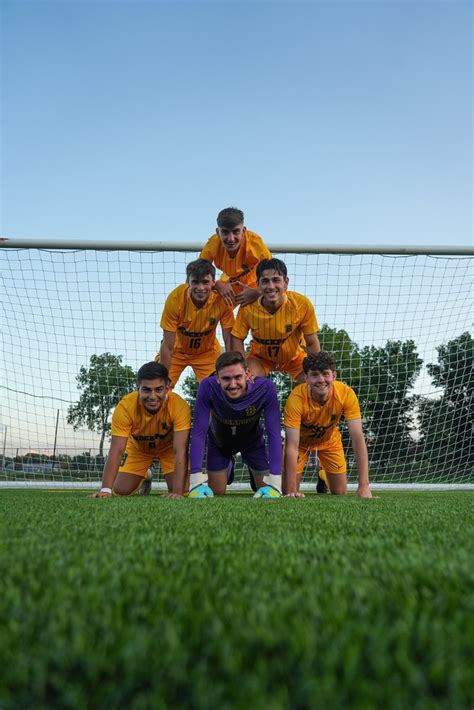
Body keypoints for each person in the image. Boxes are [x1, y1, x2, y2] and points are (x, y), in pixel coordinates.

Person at [188, 351, 283, 498]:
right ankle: (228, 467)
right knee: (217, 492)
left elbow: (274, 433)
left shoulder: (265, 388)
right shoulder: (207, 386)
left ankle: (253, 471)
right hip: (220, 444)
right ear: (217, 378)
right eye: (226, 378)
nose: (233, 385)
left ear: (247, 374)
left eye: (238, 377)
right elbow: (199, 433)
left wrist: (276, 483)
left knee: (265, 490)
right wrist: (195, 481)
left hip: (252, 443)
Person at [91, 362, 191, 499]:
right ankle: (147, 474)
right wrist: (105, 489)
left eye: (159, 390)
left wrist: (178, 493)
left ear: (167, 389)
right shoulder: (125, 407)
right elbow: (117, 449)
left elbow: (180, 449)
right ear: (138, 389)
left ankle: (171, 482)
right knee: (121, 490)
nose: (153, 396)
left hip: (168, 449)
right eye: (146, 390)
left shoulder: (179, 406)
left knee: (184, 489)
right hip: (139, 450)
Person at [283, 351, 372, 498]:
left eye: (325, 374)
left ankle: (322, 474)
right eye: (314, 375)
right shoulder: (296, 399)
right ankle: (292, 486)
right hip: (301, 444)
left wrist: (364, 486)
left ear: (334, 375)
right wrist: (292, 491)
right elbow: (291, 444)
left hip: (329, 441)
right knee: (287, 490)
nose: (321, 379)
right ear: (306, 378)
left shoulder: (346, 394)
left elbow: (357, 436)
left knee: (340, 492)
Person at [231, 258, 320, 383]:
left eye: (276, 280)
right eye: (265, 281)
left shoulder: (301, 304)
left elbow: (311, 342)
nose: (271, 286)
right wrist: (242, 368)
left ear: (286, 282)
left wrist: (316, 371)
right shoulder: (247, 308)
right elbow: (237, 338)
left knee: (317, 383)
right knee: (246, 381)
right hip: (260, 358)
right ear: (258, 284)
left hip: (294, 358)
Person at [158, 258, 235, 387]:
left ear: (213, 283)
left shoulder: (221, 300)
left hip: (206, 353)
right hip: (177, 352)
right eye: (195, 282)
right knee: (160, 387)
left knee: (219, 389)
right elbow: (167, 346)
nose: (200, 288)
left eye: (205, 282)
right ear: (188, 282)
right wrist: (162, 379)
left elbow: (229, 341)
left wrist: (232, 370)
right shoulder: (175, 299)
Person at [200, 207, 272, 307]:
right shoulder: (213, 244)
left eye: (236, 231)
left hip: (254, 283)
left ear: (243, 230)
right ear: (217, 232)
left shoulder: (255, 244)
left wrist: (257, 292)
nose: (231, 239)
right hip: (230, 281)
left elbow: (274, 275)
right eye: (225, 232)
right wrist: (217, 285)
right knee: (210, 303)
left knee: (264, 303)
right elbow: (198, 273)